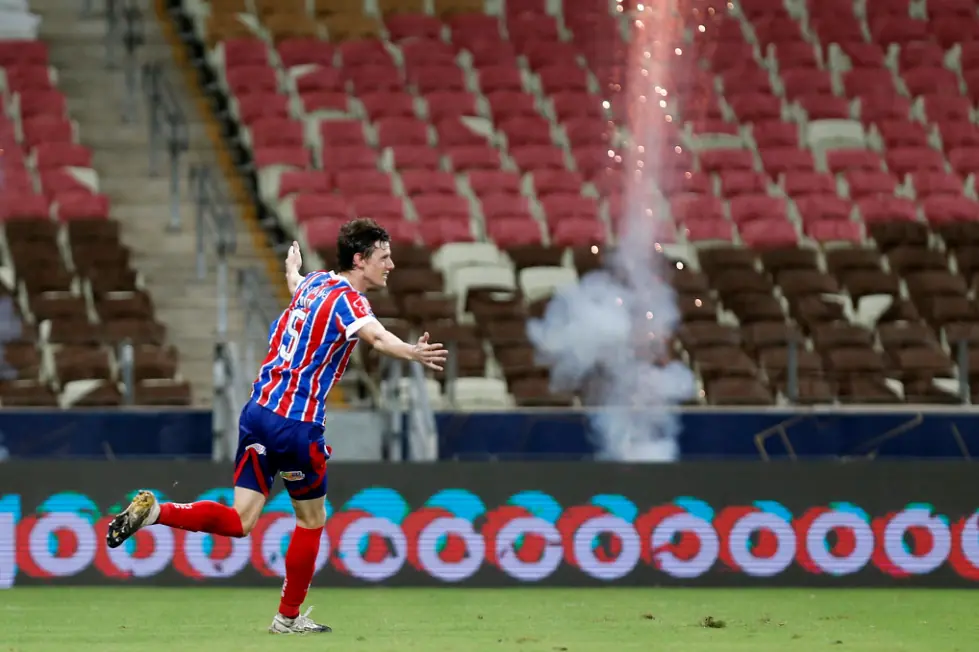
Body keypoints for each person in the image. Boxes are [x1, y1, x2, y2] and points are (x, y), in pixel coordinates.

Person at [105, 219, 448, 634]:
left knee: (241, 519)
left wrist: (291, 268)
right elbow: (375, 338)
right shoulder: (351, 303)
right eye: (383, 256)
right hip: (295, 424)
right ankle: (287, 618)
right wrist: (412, 352)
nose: (391, 264)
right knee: (311, 520)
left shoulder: (315, 283)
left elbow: (294, 281)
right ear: (359, 261)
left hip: (257, 412)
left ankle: (157, 513)